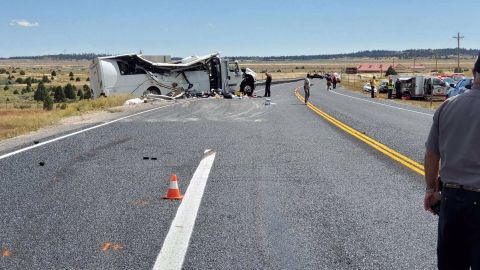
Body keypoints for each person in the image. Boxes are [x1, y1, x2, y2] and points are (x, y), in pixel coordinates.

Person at [424, 54, 480, 269]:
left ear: (474, 73)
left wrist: (431, 189)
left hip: (452, 200)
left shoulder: (447, 106)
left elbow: (431, 155)